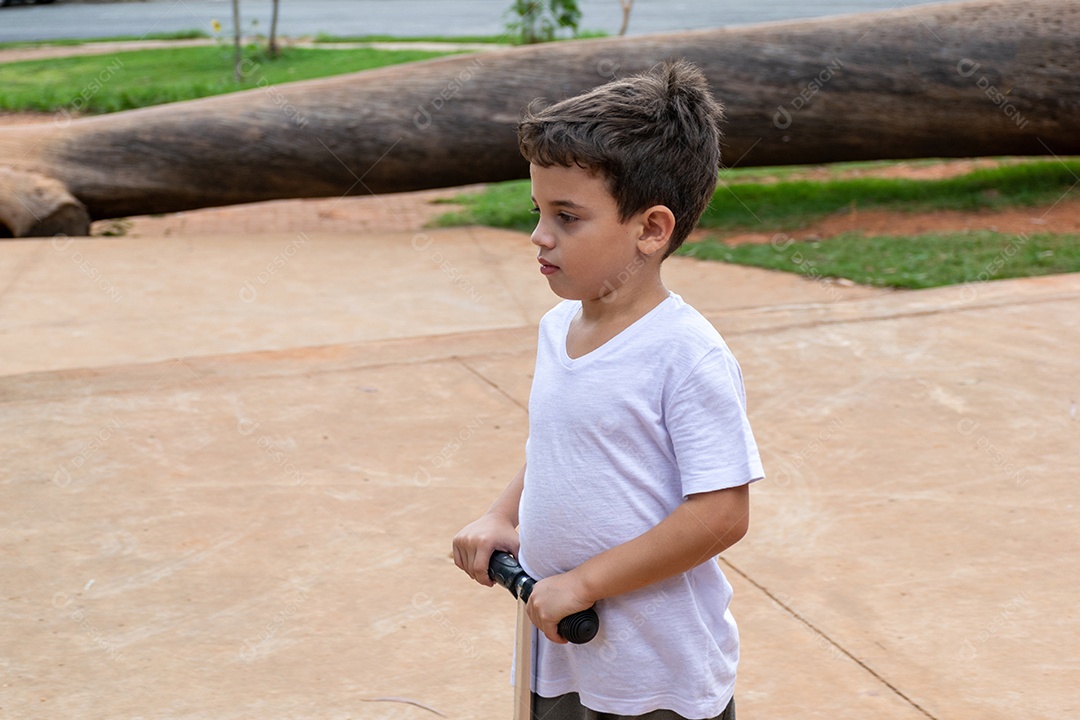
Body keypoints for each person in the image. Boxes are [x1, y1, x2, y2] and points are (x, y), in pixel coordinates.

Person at [452, 59, 764, 720]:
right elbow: (560, 445)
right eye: (538, 210)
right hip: (560, 645)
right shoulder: (558, 326)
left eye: (567, 217)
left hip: (655, 669)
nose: (539, 235)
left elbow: (721, 513)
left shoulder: (683, 354)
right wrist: (502, 514)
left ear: (651, 230)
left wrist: (586, 582)